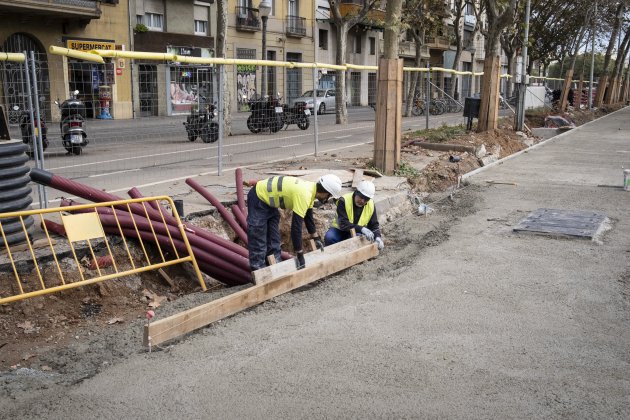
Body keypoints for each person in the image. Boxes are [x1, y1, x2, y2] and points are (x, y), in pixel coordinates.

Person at [247, 174, 343, 272]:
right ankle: (259, 272)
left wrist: (316, 238)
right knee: (258, 239)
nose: (327, 198)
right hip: (258, 197)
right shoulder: (304, 194)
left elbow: (308, 217)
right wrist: (299, 254)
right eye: (328, 195)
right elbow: (296, 227)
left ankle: (276, 269)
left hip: (269, 202)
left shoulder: (311, 190)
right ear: (324, 191)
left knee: (274, 239)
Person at [324, 180, 384, 251]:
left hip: (356, 233)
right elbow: (343, 223)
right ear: (356, 192)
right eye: (361, 197)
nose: (362, 201)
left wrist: (378, 237)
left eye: (366, 199)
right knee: (329, 237)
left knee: (360, 241)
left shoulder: (370, 204)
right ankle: (333, 254)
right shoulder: (344, 200)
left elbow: (374, 225)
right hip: (339, 230)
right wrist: (362, 229)